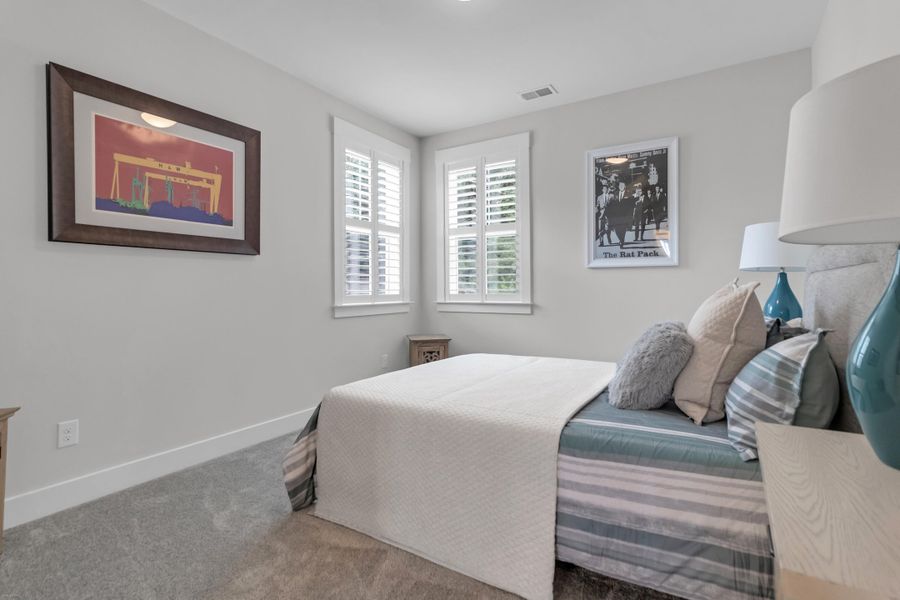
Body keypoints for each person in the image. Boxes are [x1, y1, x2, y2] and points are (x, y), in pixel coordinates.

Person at [606, 181, 632, 249]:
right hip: (616, 216)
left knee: (623, 230)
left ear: (625, 186)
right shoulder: (615, 193)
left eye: (622, 186)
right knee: (617, 230)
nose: (621, 187)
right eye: (620, 186)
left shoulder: (628, 194)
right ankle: (621, 240)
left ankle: (621, 241)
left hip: (624, 216)